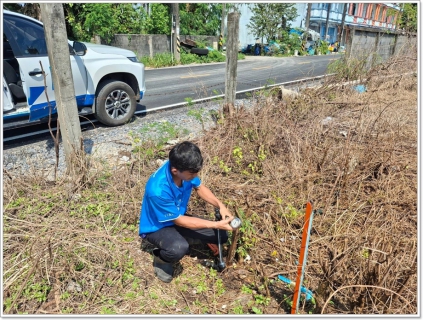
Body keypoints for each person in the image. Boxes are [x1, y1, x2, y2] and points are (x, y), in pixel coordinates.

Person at [139, 141, 235, 283]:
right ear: (175, 171)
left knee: (221, 235)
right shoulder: (158, 190)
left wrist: (220, 205)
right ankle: (161, 259)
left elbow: (200, 187)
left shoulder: (184, 170)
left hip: (178, 216)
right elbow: (180, 221)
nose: (195, 176)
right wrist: (215, 224)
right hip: (157, 227)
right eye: (192, 174)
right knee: (178, 248)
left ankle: (187, 237)